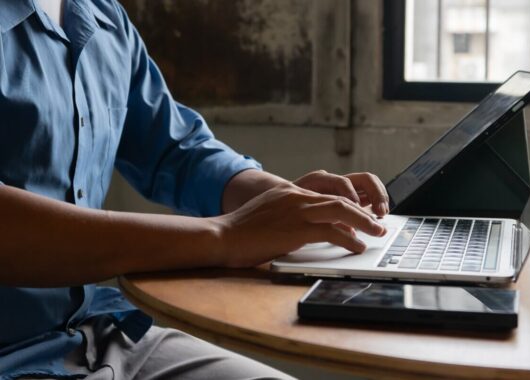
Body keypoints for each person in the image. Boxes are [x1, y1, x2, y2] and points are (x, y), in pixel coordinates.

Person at [0, 0, 389, 379]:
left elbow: (174, 150)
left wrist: (284, 202)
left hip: (92, 336)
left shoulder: (104, 17)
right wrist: (226, 236)